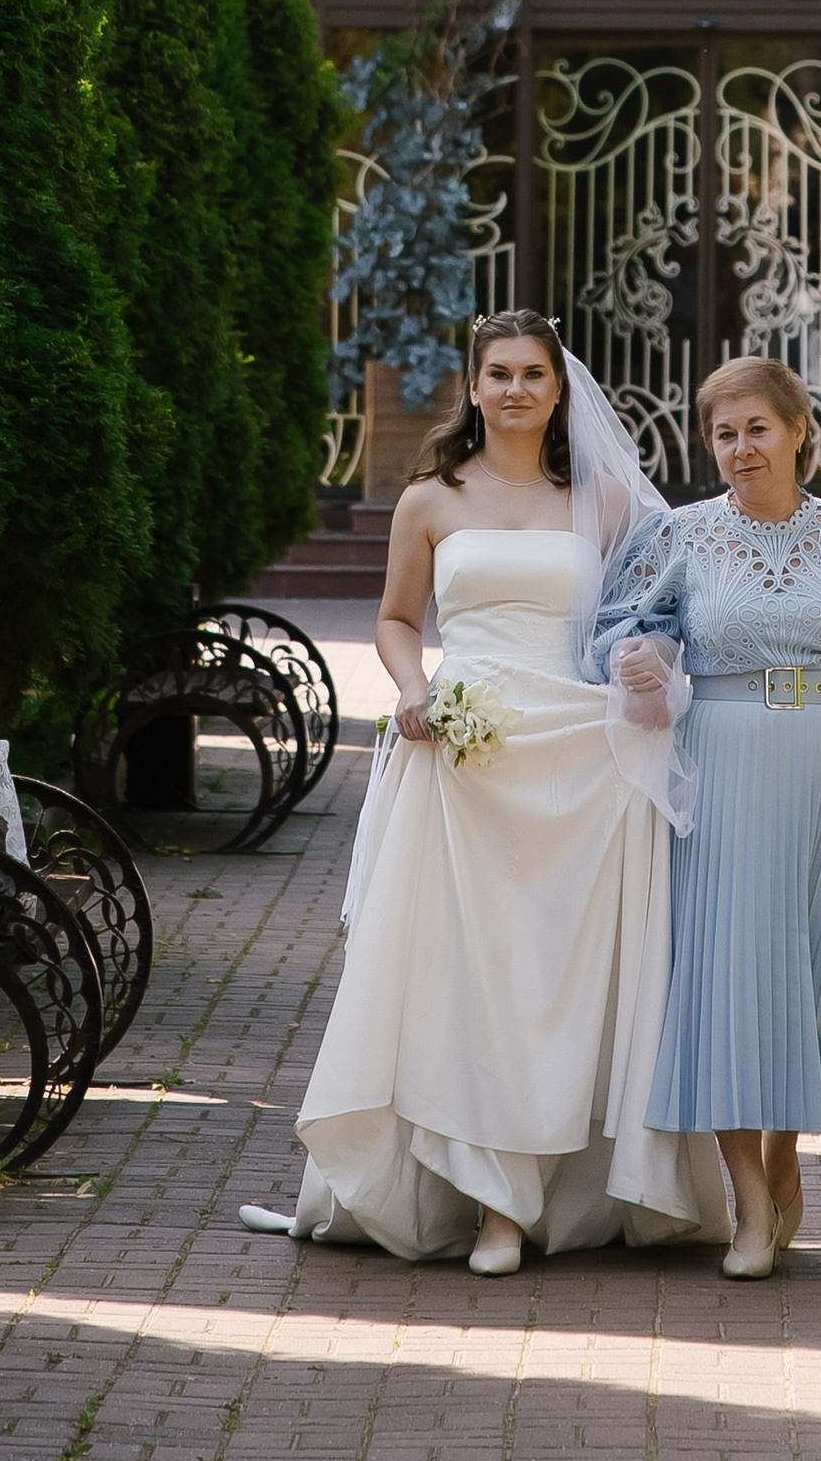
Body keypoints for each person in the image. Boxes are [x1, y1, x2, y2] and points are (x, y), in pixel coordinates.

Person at [244, 310, 701, 1270]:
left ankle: (536, 1197)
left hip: (574, 756)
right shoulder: (431, 499)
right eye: (500, 373)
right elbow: (397, 618)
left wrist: (648, 664)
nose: (518, 390)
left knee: (552, 976)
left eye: (535, 373)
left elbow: (657, 618)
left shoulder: (608, 502)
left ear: (559, 387)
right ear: (474, 383)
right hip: (462, 751)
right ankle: (480, 1199)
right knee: (462, 975)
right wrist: (416, 692)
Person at [602, 355, 821, 1280]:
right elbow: (612, 626)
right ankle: (748, 1201)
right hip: (722, 769)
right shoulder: (681, 533)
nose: (741, 448)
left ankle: (785, 1156)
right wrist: (641, 655)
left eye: (757, 427)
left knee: (818, 972)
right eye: (723, 433)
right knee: (726, 977)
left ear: (800, 430)